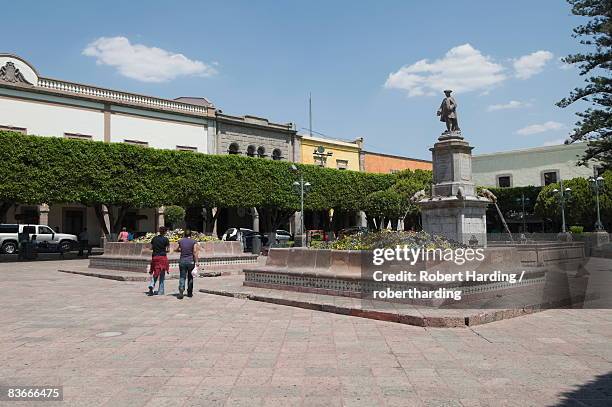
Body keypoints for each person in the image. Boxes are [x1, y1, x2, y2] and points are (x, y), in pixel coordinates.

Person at [176, 229, 199, 299]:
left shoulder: (181, 241)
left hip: (182, 261)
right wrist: (197, 261)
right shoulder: (193, 241)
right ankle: (189, 292)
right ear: (191, 235)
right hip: (191, 261)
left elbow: (178, 249)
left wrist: (180, 250)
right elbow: (194, 251)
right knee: (190, 277)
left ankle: (181, 289)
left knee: (182, 276)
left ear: (184, 234)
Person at [148, 226, 170, 296]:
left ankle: (152, 284)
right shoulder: (166, 239)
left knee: (155, 272)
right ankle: (160, 291)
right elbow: (168, 250)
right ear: (165, 232)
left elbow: (151, 248)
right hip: (162, 257)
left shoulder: (154, 238)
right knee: (162, 275)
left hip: (155, 257)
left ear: (159, 231)